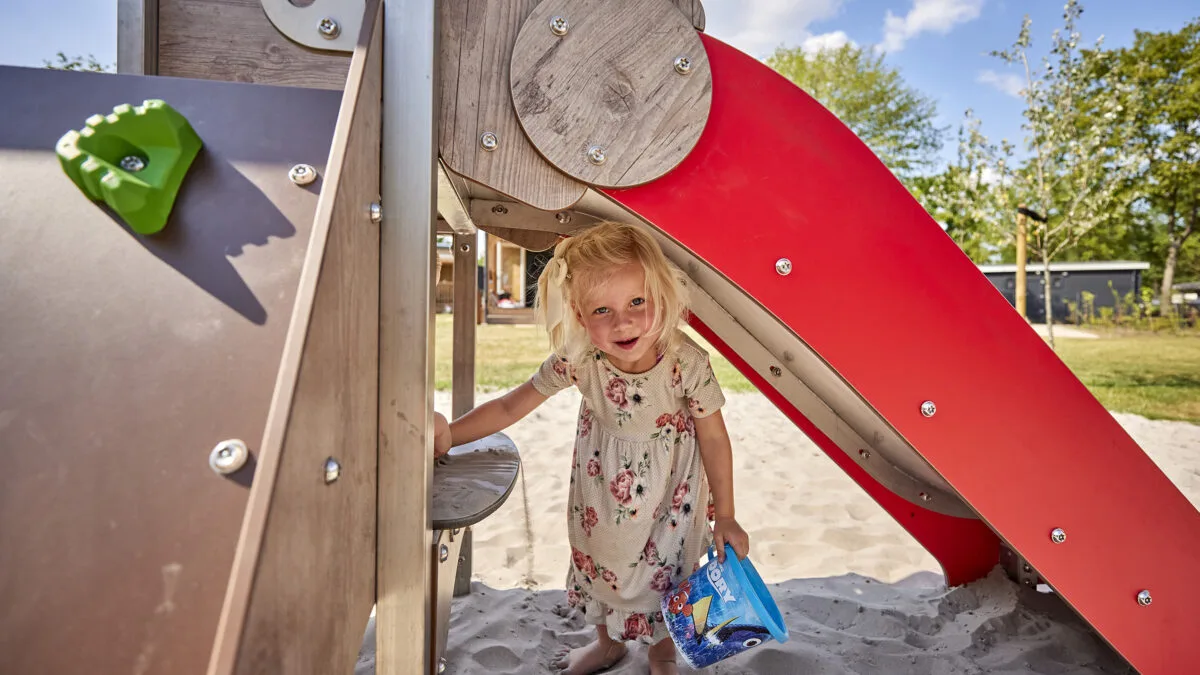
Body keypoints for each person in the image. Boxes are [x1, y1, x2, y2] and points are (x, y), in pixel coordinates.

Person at [433, 222, 748, 675]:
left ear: (659, 297)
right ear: (581, 317)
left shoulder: (686, 363)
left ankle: (662, 656)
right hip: (602, 496)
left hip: (670, 501)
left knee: (669, 575)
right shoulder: (581, 359)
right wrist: (450, 436)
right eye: (603, 309)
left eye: (637, 302)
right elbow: (510, 404)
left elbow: (714, 436)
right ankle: (608, 645)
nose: (623, 321)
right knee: (600, 564)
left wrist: (730, 512)